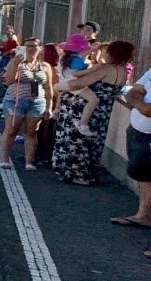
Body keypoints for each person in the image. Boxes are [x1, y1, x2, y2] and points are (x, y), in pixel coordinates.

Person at [52, 39, 135, 186]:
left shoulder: (104, 69)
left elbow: (77, 83)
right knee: (94, 143)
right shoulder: (124, 71)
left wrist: (59, 86)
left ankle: (79, 175)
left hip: (83, 111)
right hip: (103, 112)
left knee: (78, 141)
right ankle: (90, 173)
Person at [0, 38, 53, 172]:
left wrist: (49, 106)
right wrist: (15, 64)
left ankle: (29, 162)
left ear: (40, 48)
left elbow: (48, 87)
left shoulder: (45, 66)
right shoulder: (16, 62)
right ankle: (4, 160)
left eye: (34, 46)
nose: (30, 49)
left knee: (31, 132)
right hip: (15, 100)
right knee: (11, 130)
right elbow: (9, 80)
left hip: (37, 102)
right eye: (27, 46)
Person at [112, 66, 151, 245]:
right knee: (141, 173)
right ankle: (143, 215)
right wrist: (141, 105)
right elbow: (133, 92)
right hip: (138, 131)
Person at [54, 34, 103, 137]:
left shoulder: (65, 57)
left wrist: (93, 49)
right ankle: (83, 123)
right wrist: (95, 68)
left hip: (64, 82)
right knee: (94, 100)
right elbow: (76, 73)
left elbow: (83, 54)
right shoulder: (77, 60)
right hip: (74, 84)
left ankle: (56, 109)